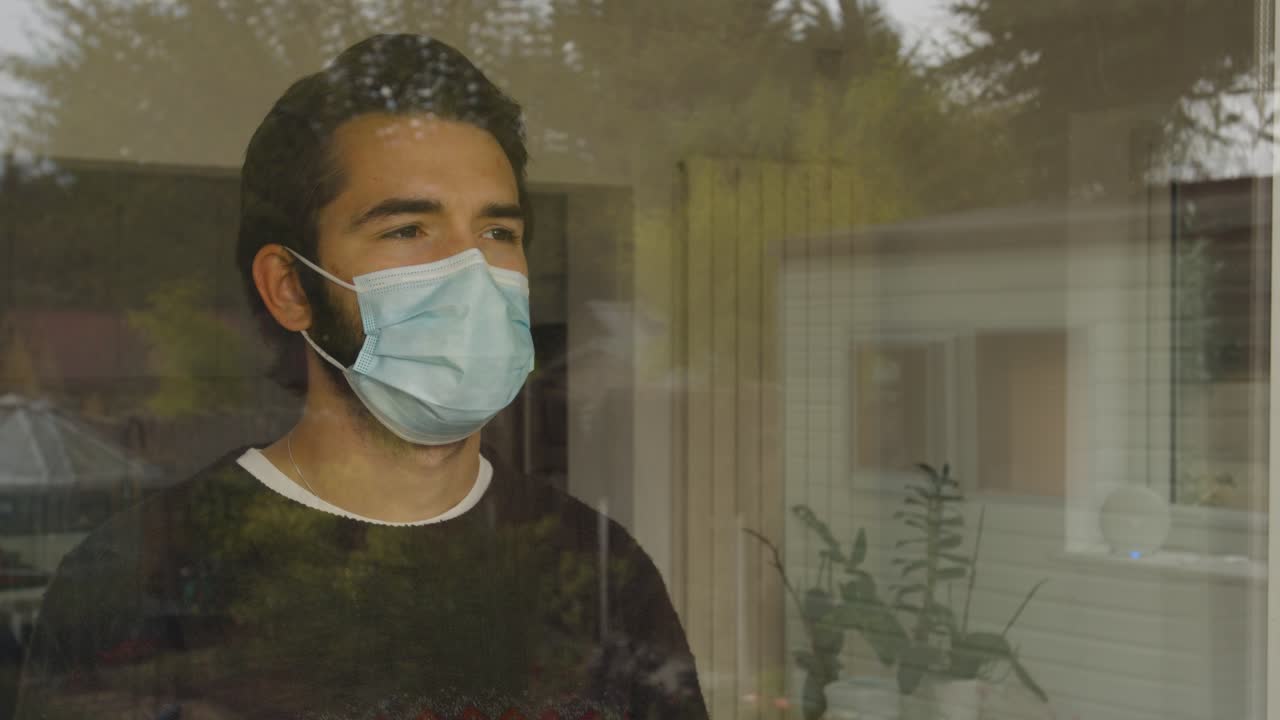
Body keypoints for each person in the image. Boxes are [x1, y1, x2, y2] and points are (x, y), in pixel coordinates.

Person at [15, 34, 707, 720]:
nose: (473, 273)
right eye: (408, 229)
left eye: (498, 233)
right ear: (290, 288)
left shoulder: (600, 570)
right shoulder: (142, 580)